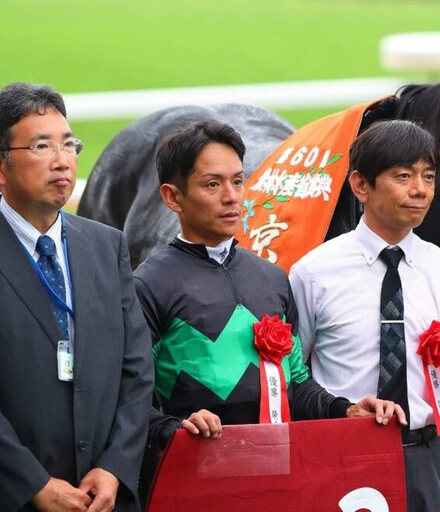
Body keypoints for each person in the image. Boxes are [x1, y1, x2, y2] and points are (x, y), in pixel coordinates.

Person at [133, 120, 405, 499]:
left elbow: (295, 384)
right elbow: (128, 403)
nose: (232, 197)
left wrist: (345, 410)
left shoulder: (272, 278)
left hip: (276, 480)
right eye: (212, 185)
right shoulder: (147, 285)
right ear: (173, 197)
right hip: (193, 483)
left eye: (238, 181)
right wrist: (174, 428)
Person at [289, 119, 440, 511]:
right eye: (403, 176)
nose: (420, 190)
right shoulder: (314, 272)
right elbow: (292, 376)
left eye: (429, 176)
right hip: (342, 455)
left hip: (426, 459)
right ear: (361, 185)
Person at [0, 82, 154, 511]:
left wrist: (114, 468)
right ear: (2, 167)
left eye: (69, 145)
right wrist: (31, 483)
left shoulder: (107, 245)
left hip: (100, 495)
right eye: (41, 146)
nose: (62, 160)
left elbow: (137, 368)